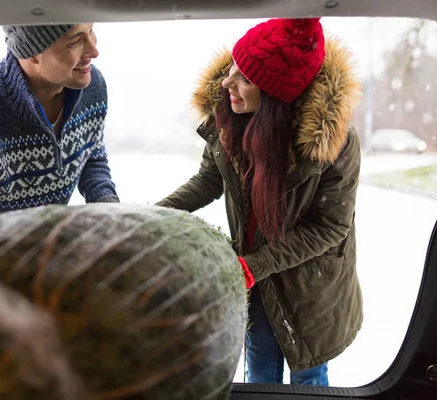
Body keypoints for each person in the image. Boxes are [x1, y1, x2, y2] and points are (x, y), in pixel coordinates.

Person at [156, 17, 363, 385]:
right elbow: (209, 179)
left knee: (309, 377)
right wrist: (156, 215)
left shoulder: (333, 143)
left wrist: (255, 265)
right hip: (254, 278)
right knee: (260, 375)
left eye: (246, 79)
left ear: (276, 97)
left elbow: (330, 226)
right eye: (234, 67)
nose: (227, 83)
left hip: (309, 287)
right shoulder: (230, 118)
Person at [0, 23, 119, 231]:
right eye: (76, 41)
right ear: (32, 52)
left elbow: (92, 159)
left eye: (91, 30)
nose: (94, 50)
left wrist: (116, 217)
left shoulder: (92, 86)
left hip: (48, 241)